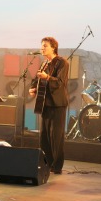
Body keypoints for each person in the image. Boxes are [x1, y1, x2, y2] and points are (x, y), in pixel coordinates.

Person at [29, 37, 69, 174]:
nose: (42, 48)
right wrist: (32, 88)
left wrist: (47, 77)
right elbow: (36, 79)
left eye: (45, 46)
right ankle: (47, 163)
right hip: (45, 104)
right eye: (41, 46)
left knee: (56, 137)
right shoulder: (44, 63)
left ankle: (57, 166)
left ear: (53, 47)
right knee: (45, 137)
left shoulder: (62, 63)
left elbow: (59, 82)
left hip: (57, 104)